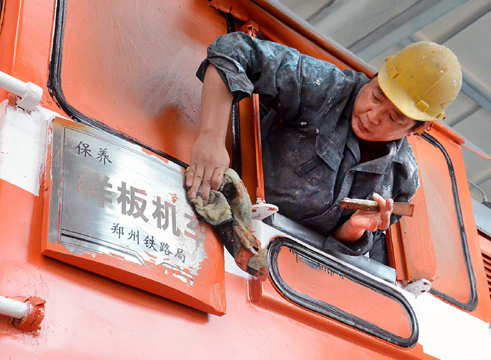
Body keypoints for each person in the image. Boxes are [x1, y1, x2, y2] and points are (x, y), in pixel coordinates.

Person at [185, 32, 462, 266]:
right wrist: (211, 137)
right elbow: (235, 50)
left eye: (394, 118)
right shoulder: (325, 87)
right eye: (376, 96)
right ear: (375, 76)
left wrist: (354, 229)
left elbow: (339, 257)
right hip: (223, 220)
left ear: (417, 129)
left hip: (285, 268)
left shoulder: (401, 180)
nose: (373, 115)